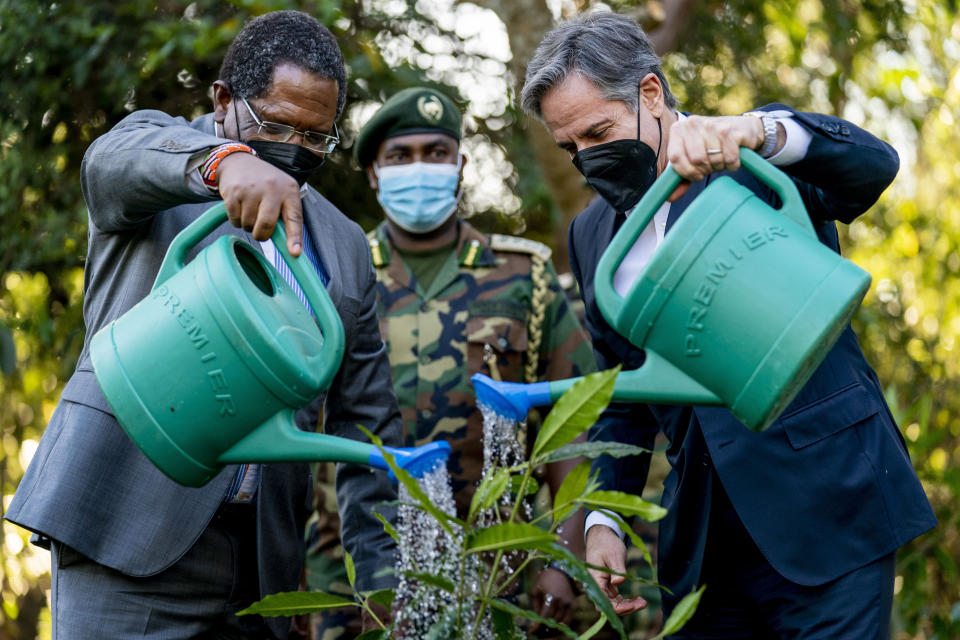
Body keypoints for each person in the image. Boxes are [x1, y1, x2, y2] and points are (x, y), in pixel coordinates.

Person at [520, 10, 937, 639]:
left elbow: (872, 167)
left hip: (829, 507)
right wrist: (601, 519)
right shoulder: (590, 234)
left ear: (651, 94)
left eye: (598, 132)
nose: (587, 159)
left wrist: (757, 132)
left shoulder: (749, 157)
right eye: (569, 147)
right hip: (705, 547)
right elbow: (622, 391)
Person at [5, 11, 401, 639]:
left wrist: (382, 580)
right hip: (123, 537)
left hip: (260, 570)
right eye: (275, 125)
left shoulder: (345, 246)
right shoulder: (166, 160)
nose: (294, 150)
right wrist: (225, 163)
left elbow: (369, 427)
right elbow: (109, 163)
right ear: (223, 101)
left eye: (315, 137)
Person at [306, 86, 598, 637]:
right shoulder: (335, 277)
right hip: (354, 583)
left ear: (460, 165)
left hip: (495, 576)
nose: (420, 167)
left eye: (436, 153)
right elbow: (297, 434)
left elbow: (573, 426)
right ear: (373, 172)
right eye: (401, 155)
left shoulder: (523, 275)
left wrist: (562, 557)